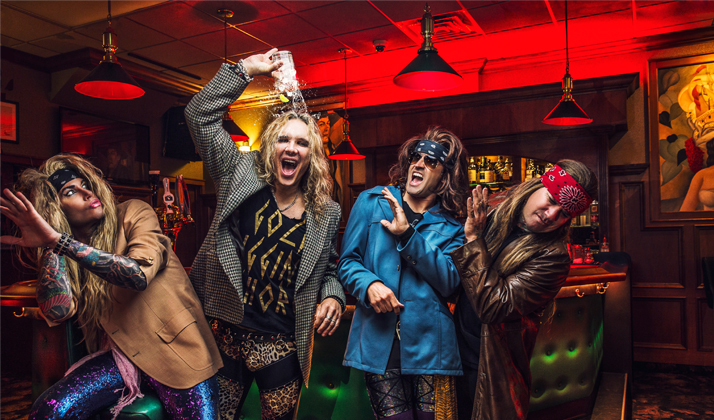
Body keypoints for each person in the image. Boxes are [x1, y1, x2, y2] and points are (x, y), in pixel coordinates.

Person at [184, 48, 345, 420]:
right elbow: (198, 116)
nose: (292, 148)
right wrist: (245, 70)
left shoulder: (326, 211)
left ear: (312, 155)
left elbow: (329, 270)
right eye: (284, 140)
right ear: (271, 146)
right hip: (224, 333)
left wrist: (333, 297)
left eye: (302, 143)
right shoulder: (239, 173)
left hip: (282, 343)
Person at [0, 154, 221, 420]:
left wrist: (60, 242)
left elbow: (137, 275)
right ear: (56, 210)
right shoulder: (64, 250)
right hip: (119, 357)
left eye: (85, 184)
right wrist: (50, 245)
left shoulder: (133, 212)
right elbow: (57, 311)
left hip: (177, 353)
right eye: (70, 191)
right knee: (48, 411)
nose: (87, 192)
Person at [338, 127, 470, 420]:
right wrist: (368, 284)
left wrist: (408, 234)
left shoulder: (453, 228)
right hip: (379, 342)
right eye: (416, 157)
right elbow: (347, 262)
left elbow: (450, 282)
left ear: (444, 178)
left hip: (432, 346)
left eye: (431, 162)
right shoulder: (372, 202)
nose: (419, 164)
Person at [451, 159, 597, 420]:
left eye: (564, 213)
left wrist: (473, 241)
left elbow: (493, 307)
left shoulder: (553, 258)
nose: (551, 215)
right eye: (551, 200)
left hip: (487, 368)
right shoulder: (493, 210)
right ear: (538, 185)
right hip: (449, 351)